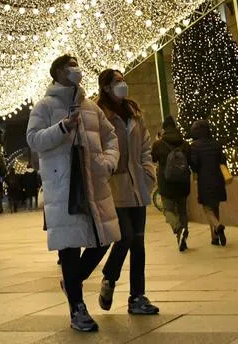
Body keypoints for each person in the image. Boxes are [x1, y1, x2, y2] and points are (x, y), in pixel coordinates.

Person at [27, 54, 120, 333]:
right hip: (63, 185)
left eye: (77, 65)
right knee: (69, 247)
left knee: (106, 238)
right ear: (58, 73)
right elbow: (33, 139)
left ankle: (72, 282)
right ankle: (77, 309)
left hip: (93, 182)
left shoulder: (91, 107)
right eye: (71, 66)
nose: (76, 70)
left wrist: (109, 162)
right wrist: (62, 127)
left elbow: (111, 136)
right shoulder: (44, 106)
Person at [94, 69, 160, 315]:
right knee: (126, 236)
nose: (123, 85)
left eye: (123, 80)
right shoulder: (100, 114)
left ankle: (137, 296)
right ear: (106, 87)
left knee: (138, 242)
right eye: (117, 82)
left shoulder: (134, 112)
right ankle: (109, 278)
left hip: (137, 185)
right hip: (115, 185)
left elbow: (145, 145)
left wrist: (148, 171)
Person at [152, 116, 192, 251]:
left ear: (164, 129)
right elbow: (190, 161)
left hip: (166, 182)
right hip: (183, 183)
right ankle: (183, 238)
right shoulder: (185, 144)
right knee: (182, 211)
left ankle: (177, 227)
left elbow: (152, 158)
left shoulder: (158, 144)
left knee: (168, 210)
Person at [189, 119, 228, 247]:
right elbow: (223, 159)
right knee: (215, 206)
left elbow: (195, 164)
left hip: (204, 179)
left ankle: (217, 226)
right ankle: (215, 238)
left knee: (207, 208)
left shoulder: (195, 146)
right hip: (217, 178)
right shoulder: (216, 144)